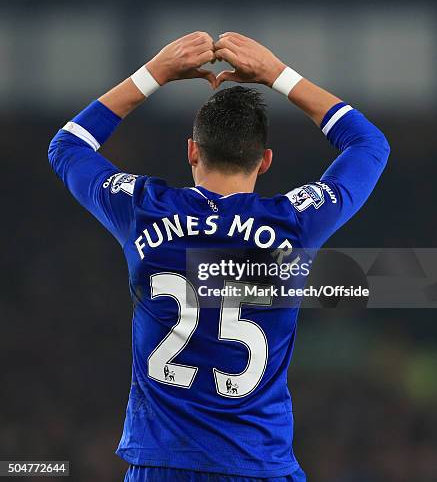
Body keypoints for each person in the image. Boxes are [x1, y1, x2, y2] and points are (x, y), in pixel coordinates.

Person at [48, 31, 390, 481]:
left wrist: (156, 73)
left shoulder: (143, 211)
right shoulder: (294, 224)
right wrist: (276, 74)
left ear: (192, 151)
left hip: (161, 465)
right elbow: (368, 145)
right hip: (258, 465)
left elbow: (68, 146)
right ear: (264, 160)